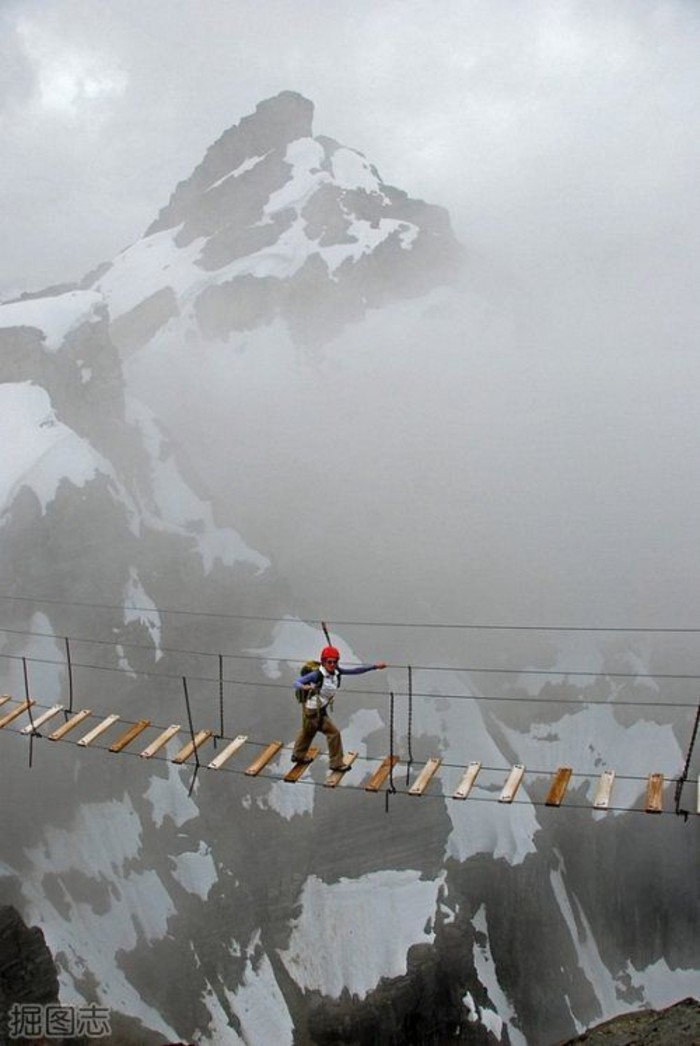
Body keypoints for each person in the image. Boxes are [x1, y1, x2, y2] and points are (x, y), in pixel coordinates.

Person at [292, 645, 387, 772]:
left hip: (320, 709)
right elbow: (297, 682)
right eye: (329, 662)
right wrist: (304, 687)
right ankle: (330, 762)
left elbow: (356, 670)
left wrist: (375, 667)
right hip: (312, 711)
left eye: (334, 661)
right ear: (323, 662)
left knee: (314, 732)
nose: (332, 664)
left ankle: (301, 756)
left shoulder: (337, 672)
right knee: (318, 732)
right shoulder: (317, 674)